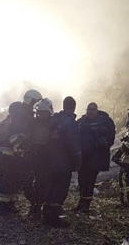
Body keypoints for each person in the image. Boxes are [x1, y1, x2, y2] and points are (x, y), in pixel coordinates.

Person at [42, 96, 81, 228]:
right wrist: (78, 160)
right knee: (60, 188)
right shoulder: (71, 123)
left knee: (51, 186)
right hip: (63, 162)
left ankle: (46, 213)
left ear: (64, 106)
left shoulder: (53, 120)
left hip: (48, 160)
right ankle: (53, 218)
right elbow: (74, 145)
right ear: (74, 107)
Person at [76, 102, 116, 213]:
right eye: (88, 109)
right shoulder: (82, 121)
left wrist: (100, 138)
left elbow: (110, 140)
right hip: (83, 158)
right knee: (82, 181)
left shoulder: (104, 122)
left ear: (97, 111)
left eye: (92, 110)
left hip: (95, 158)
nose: (90, 112)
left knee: (89, 182)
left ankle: (86, 206)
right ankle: (81, 202)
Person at [0, 101, 29, 214]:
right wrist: (22, 149)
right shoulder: (15, 123)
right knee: (10, 182)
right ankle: (3, 206)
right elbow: (14, 140)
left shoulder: (3, 123)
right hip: (10, 157)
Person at [27, 98, 54, 215]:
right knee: (27, 182)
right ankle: (34, 202)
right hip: (33, 155)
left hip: (45, 156)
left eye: (44, 113)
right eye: (40, 113)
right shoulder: (32, 123)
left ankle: (37, 206)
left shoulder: (53, 124)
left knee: (42, 182)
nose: (41, 115)